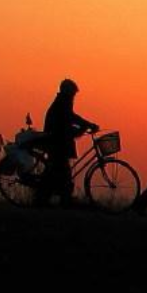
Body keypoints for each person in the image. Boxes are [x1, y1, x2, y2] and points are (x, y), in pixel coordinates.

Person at [39, 78, 99, 206]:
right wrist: (87, 125)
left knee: (57, 171)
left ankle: (49, 198)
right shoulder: (63, 102)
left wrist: (83, 126)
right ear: (68, 92)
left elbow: (69, 118)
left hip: (58, 140)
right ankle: (61, 199)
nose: (74, 96)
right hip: (57, 141)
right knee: (61, 170)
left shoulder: (62, 101)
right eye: (73, 93)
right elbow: (69, 118)